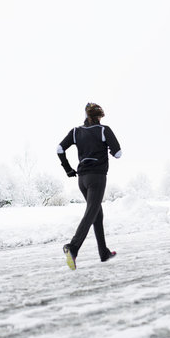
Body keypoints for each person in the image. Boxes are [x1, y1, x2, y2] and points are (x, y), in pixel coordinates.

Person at [57, 103, 122, 270]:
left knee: (97, 214)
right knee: (90, 213)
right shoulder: (103, 130)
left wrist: (68, 169)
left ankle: (103, 252)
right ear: (99, 116)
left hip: (82, 179)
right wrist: (108, 148)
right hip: (97, 178)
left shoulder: (76, 131)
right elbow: (118, 153)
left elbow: (59, 149)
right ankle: (73, 247)